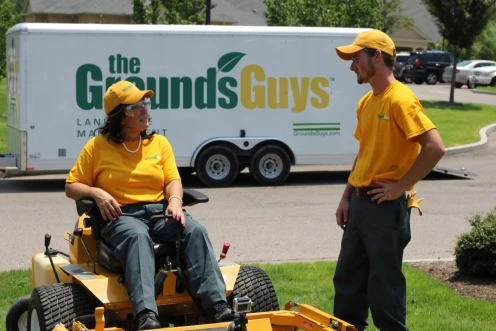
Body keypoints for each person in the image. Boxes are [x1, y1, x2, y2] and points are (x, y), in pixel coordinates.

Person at [65, 80, 238, 330]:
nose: (145, 110)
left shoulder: (159, 144)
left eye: (145, 103)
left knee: (194, 229)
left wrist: (176, 202)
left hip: (159, 211)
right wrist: (97, 193)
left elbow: (173, 181)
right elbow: (72, 186)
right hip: (121, 217)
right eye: (136, 107)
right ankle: (146, 313)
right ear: (119, 116)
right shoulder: (97, 147)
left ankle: (216, 305)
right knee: (137, 236)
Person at [332, 30, 446, 331]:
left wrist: (401, 186)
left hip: (384, 208)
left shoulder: (401, 100)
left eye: (356, 58)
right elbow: (365, 152)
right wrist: (346, 197)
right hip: (359, 204)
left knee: (384, 289)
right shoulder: (367, 102)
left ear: (377, 57)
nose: (352, 65)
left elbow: (435, 147)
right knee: (347, 282)